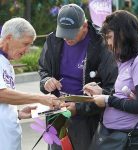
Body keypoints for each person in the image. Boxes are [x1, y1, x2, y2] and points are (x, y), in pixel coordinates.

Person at [39, 3, 117, 150]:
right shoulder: (53, 39)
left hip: (87, 118)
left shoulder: (102, 43)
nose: (67, 38)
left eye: (72, 34)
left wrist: (80, 107)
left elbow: (111, 88)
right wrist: (46, 81)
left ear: (85, 26)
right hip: (58, 111)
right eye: (63, 33)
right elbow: (43, 70)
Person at [84, 10, 138, 150]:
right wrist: (102, 92)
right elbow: (124, 97)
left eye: (109, 37)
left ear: (123, 34)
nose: (107, 43)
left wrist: (108, 100)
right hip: (119, 136)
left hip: (134, 139)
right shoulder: (126, 61)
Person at [0, 17, 60, 150]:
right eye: (25, 43)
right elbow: (1, 94)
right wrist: (40, 98)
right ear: (9, 38)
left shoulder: (6, 64)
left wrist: (18, 114)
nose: (27, 50)